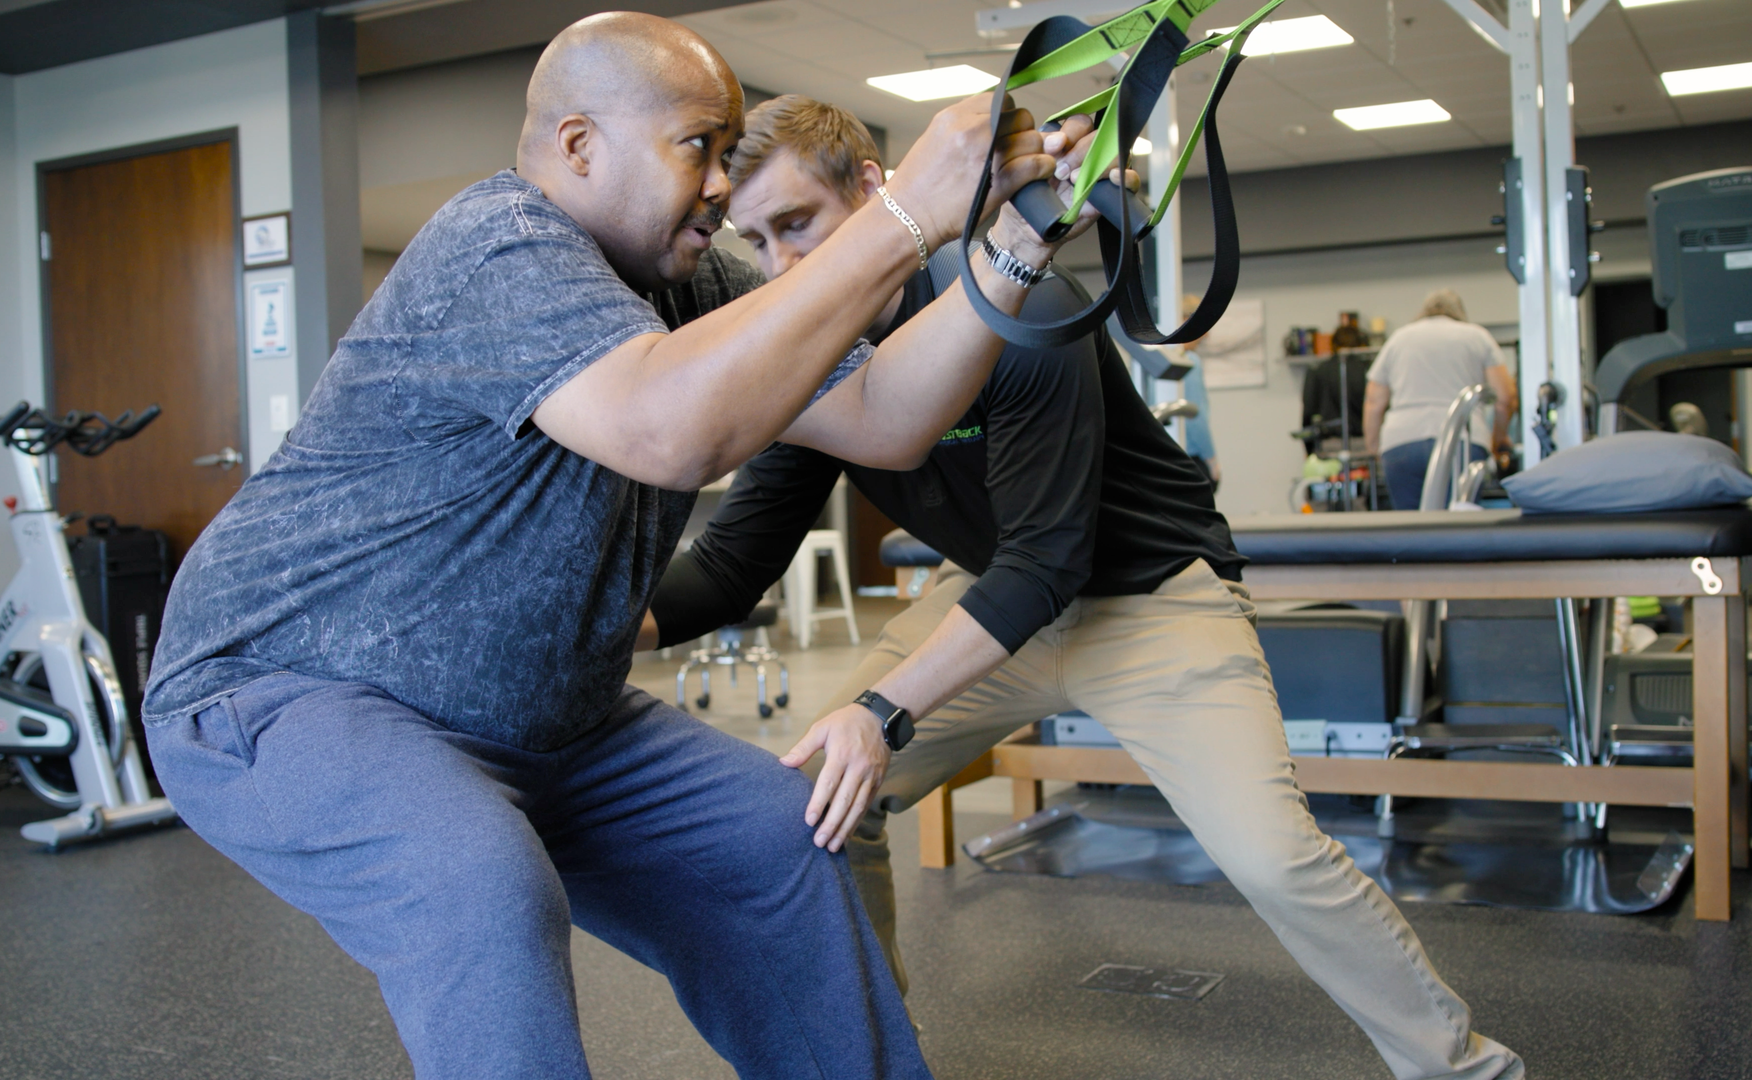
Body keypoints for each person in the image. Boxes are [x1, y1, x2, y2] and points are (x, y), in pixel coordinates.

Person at [140, 15, 1099, 1079]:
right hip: (285, 692)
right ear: (579, 145)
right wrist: (909, 213)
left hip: (548, 715)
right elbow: (669, 431)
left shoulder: (691, 279)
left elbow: (883, 413)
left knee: (783, 834)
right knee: (477, 881)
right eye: (698, 146)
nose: (724, 189)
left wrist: (1012, 244)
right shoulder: (499, 244)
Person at [645, 94, 1525, 1080]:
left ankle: (1467, 1070)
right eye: (755, 240)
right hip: (997, 606)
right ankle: (877, 1063)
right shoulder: (816, 357)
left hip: (1149, 599)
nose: (781, 269)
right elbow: (727, 567)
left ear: (874, 189)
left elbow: (1048, 561)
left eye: (798, 225)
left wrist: (881, 709)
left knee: (1274, 856)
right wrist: (587, 626)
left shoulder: (1025, 306)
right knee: (816, 808)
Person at [1363, 289, 1517, 510]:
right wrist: (1498, 439)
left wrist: (1373, 447)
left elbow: (1374, 401)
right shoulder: (1476, 335)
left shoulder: (1399, 338)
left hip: (1402, 442)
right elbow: (1506, 397)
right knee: (1457, 527)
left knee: (1410, 529)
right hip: (1463, 440)